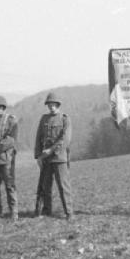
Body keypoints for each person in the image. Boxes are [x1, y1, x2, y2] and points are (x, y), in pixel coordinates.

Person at [34, 92, 73, 220]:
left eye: (53, 105)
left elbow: (65, 140)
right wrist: (38, 156)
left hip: (59, 157)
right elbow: (39, 138)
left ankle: (69, 212)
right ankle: (46, 211)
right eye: (49, 105)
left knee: (63, 186)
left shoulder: (64, 119)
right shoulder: (44, 119)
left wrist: (50, 150)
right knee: (46, 186)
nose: (51, 107)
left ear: (57, 105)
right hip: (46, 159)